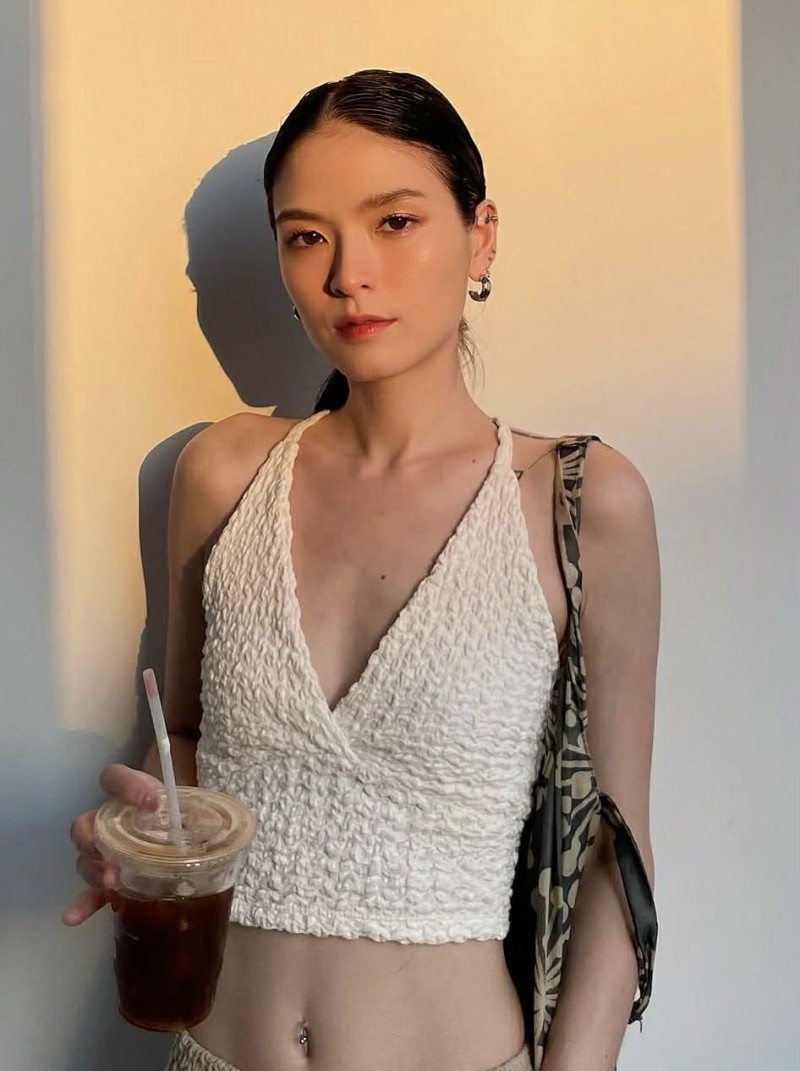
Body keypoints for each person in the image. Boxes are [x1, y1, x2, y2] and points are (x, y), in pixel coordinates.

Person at [63, 68, 660, 1071]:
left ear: (480, 236)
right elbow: (186, 737)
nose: (349, 274)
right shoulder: (223, 473)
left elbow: (615, 852)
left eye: (394, 222)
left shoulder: (578, 499)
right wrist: (146, 832)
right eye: (307, 237)